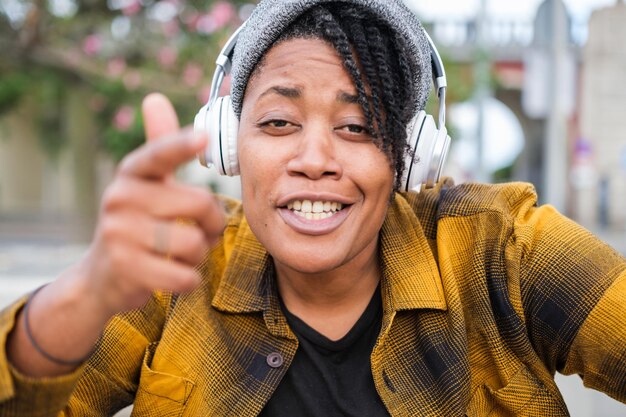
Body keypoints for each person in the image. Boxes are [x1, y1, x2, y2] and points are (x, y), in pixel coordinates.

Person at [1, 0, 625, 415]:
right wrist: (88, 290)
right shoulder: (175, 274)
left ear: (410, 158)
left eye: (357, 127)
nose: (315, 158)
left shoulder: (506, 254)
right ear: (228, 142)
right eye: (277, 121)